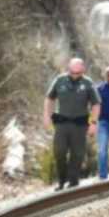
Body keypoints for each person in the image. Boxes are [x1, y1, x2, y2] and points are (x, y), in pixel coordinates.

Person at [44, 58, 101, 190]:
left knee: (77, 153)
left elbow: (96, 104)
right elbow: (49, 98)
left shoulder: (88, 83)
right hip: (62, 123)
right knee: (59, 151)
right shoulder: (59, 80)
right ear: (68, 69)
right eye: (72, 72)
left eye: (78, 73)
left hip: (79, 124)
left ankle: (73, 180)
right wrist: (47, 115)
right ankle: (61, 180)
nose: (75, 75)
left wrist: (93, 122)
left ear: (82, 71)